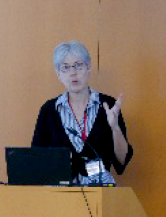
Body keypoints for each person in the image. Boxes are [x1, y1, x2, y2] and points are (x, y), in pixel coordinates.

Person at [31, 41, 134, 185]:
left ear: (89, 67)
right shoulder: (49, 110)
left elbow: (122, 160)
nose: (73, 73)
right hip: (59, 193)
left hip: (100, 191)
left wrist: (115, 127)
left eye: (78, 65)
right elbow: (36, 160)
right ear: (58, 74)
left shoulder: (108, 106)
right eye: (65, 68)